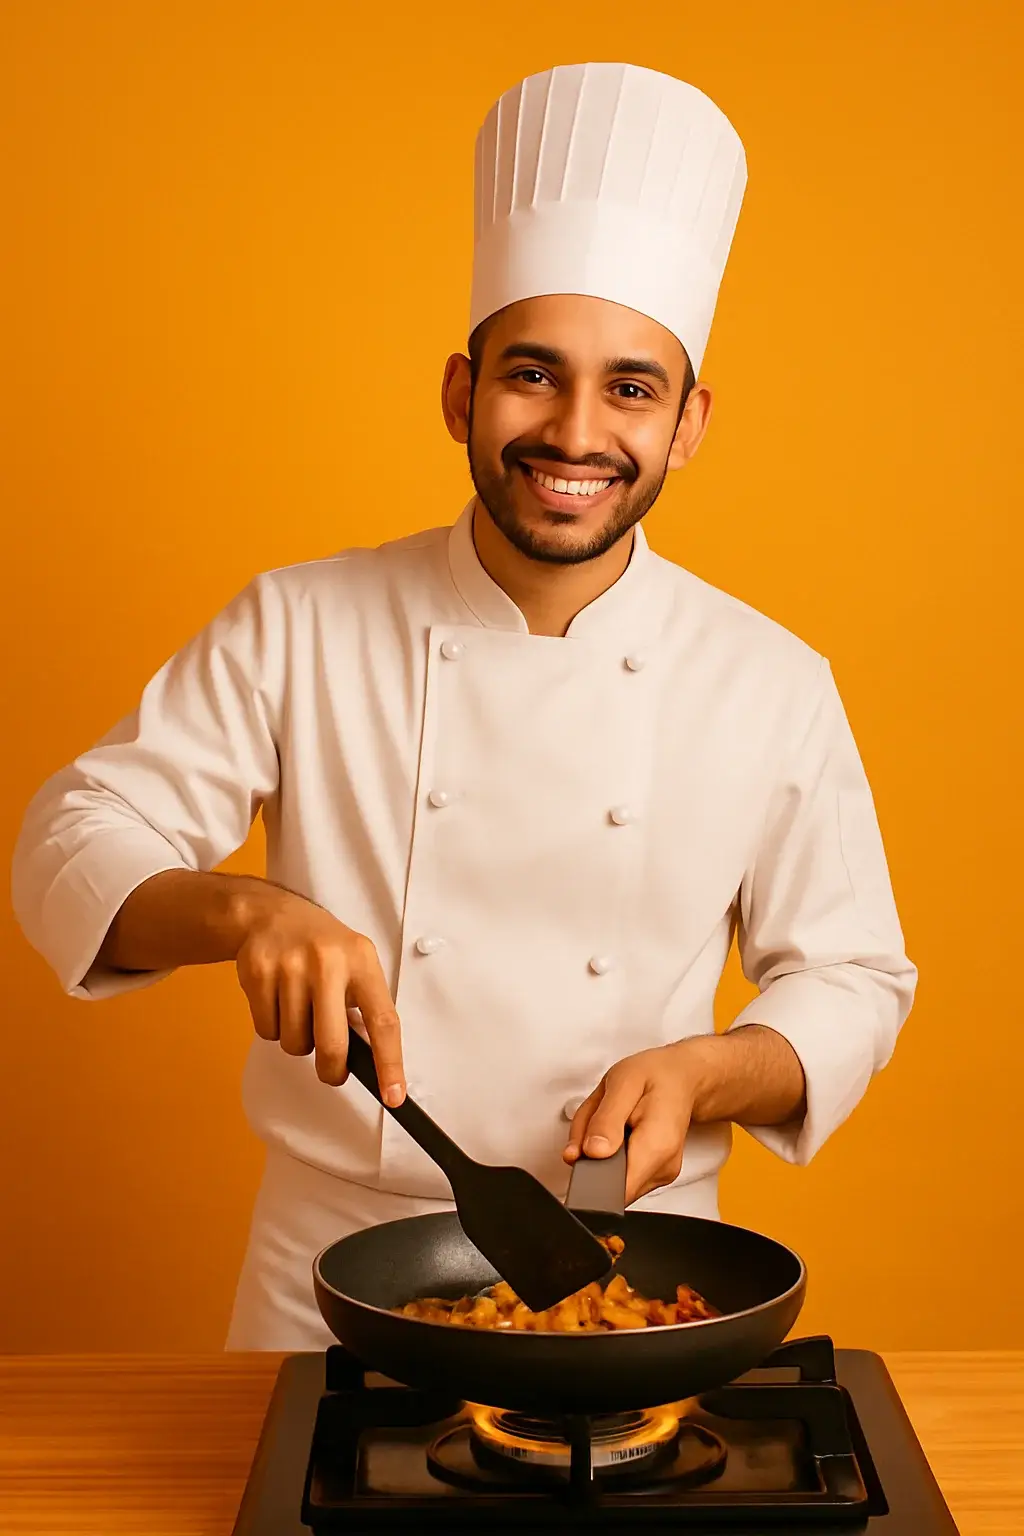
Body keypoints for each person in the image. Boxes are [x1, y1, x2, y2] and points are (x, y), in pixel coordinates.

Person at [11, 62, 917, 1349]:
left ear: (689, 424)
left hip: (631, 1283)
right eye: (532, 374)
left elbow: (853, 978)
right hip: (325, 1282)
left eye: (631, 388)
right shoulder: (300, 622)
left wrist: (709, 1069)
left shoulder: (767, 679)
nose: (575, 432)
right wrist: (244, 909)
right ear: (460, 390)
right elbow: (68, 834)